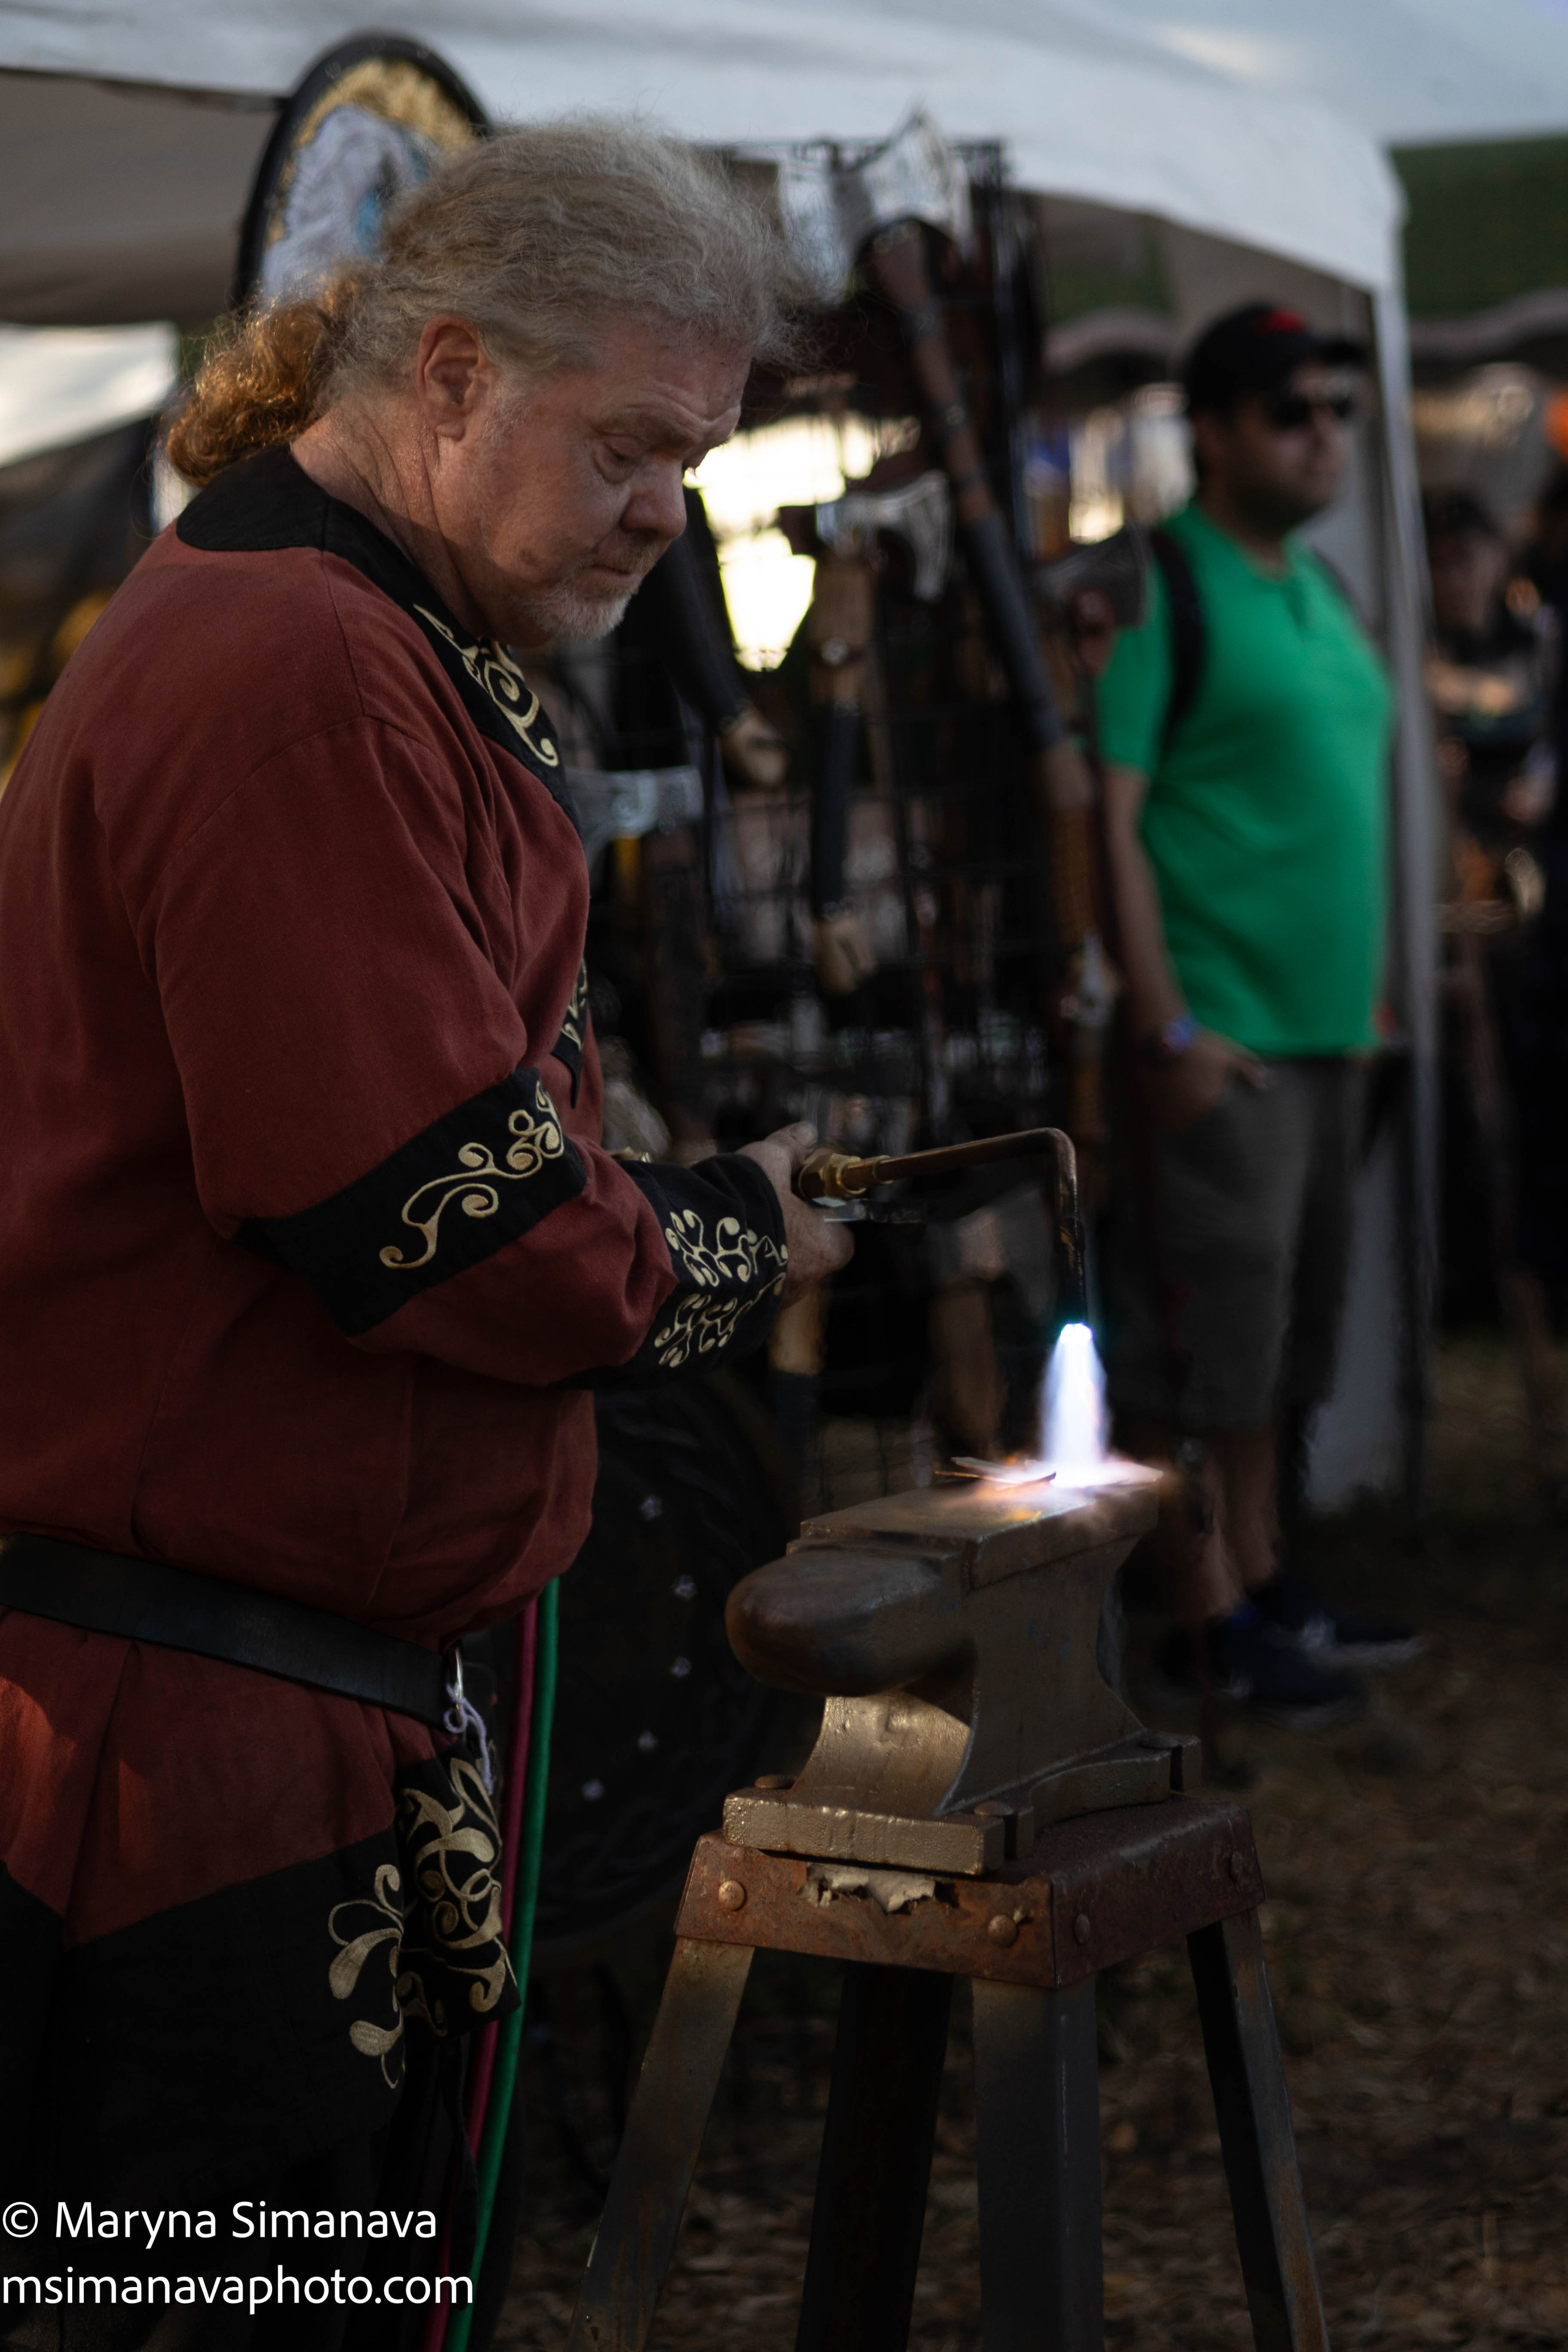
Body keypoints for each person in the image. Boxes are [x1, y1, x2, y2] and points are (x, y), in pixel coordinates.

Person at [0, 119, 848, 2339]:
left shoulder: (344, 636)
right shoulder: (295, 670)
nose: (672, 511)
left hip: (282, 1723)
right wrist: (721, 1241)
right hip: (182, 1765)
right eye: (634, 445)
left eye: (701, 454)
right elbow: (424, 1224)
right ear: (453, 379)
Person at [1096, 301, 1419, 1728]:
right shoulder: (1163, 585)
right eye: (1291, 412)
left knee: (1281, 1340)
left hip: (1327, 1039)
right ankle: (1201, 1613)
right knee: (1200, 1347)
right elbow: (1106, 819)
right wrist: (1161, 1028)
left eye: (1336, 410)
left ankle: (1266, 1574)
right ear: (1211, 431)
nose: (1323, 436)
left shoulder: (1318, 589)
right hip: (1221, 1041)